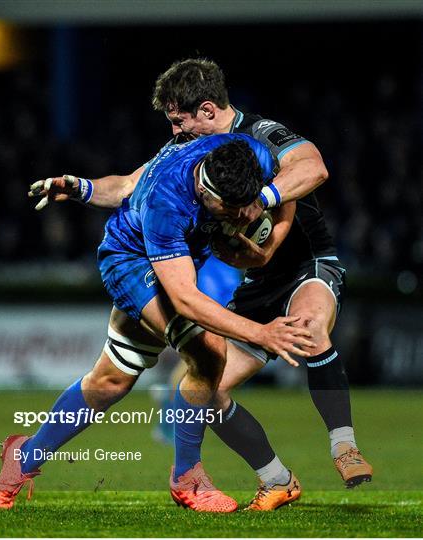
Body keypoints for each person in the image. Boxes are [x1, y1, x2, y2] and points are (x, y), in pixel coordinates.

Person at [28, 58, 373, 509]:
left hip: (307, 264)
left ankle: (343, 445)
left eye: (179, 120)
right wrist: (80, 188)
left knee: (308, 328)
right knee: (205, 391)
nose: (174, 131)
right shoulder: (192, 152)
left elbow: (314, 169)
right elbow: (132, 185)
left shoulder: (261, 134)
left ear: (208, 110)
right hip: (257, 279)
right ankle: (277, 479)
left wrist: (259, 198)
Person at [0, 134, 314, 512]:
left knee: (110, 380)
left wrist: (269, 242)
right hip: (130, 262)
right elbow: (186, 301)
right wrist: (261, 332)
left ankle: (22, 458)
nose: (245, 218)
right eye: (233, 211)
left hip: (175, 260)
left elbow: (297, 182)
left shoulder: (244, 152)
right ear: (210, 196)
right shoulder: (167, 204)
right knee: (207, 351)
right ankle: (187, 478)